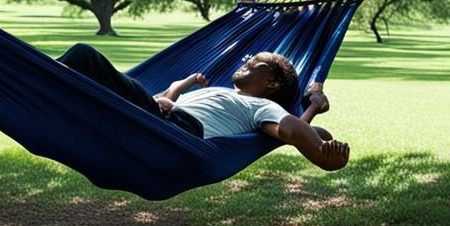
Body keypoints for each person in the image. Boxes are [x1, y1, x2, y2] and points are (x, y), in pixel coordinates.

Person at [57, 43, 349, 171]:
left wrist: (323, 154)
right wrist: (175, 90)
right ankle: (36, 80)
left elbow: (290, 130)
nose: (244, 63)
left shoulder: (257, 106)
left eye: (253, 64)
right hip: (151, 116)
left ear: (271, 83)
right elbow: (160, 99)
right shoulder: (218, 92)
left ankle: (32, 77)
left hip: (176, 133)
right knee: (82, 64)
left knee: (85, 57)